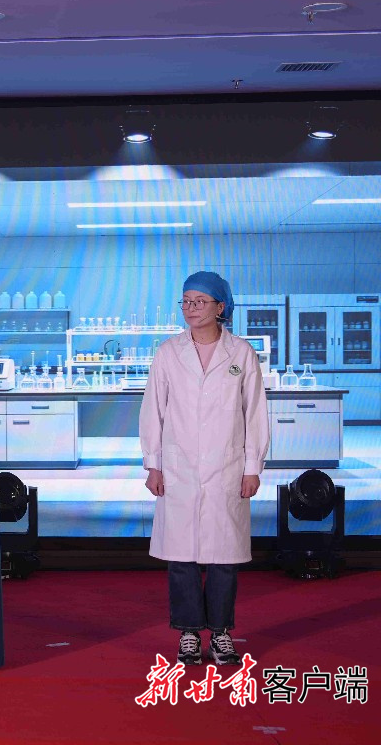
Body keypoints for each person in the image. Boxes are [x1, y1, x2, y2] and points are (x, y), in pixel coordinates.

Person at [139, 270, 269, 666]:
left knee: (224, 556)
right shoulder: (168, 353)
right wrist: (153, 464)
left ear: (220, 307)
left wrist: (252, 467)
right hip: (178, 469)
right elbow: (153, 411)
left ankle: (222, 632)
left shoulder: (241, 354)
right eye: (185, 301)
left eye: (199, 301)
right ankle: (189, 633)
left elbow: (255, 414)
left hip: (227, 466)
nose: (190, 308)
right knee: (181, 556)